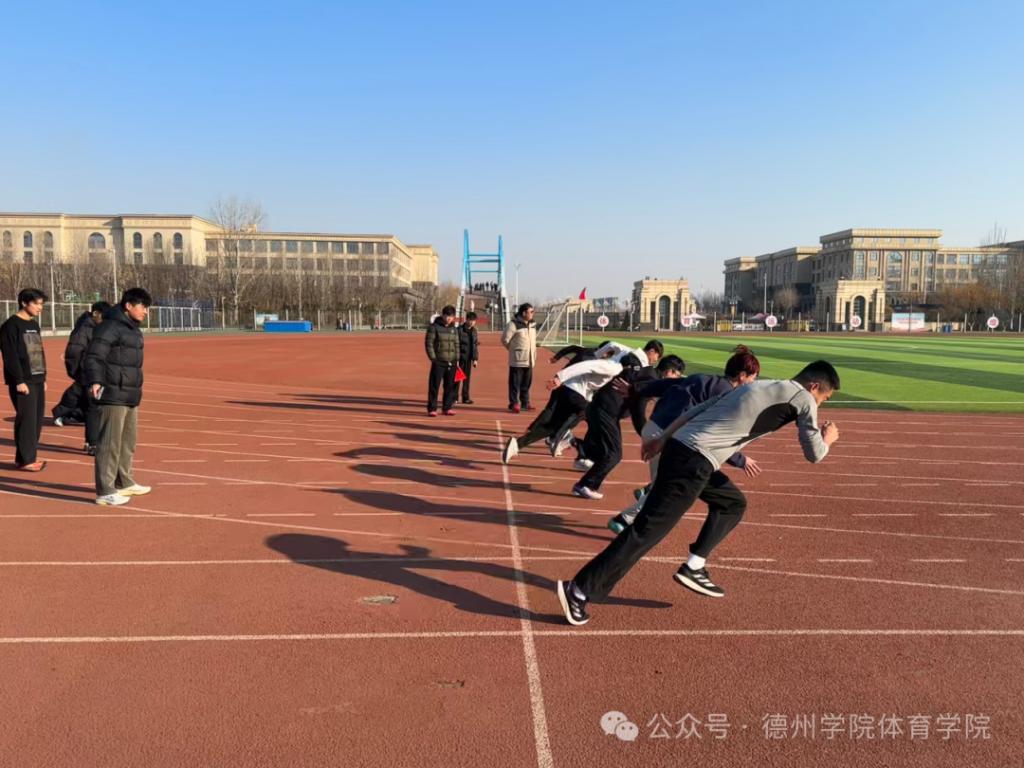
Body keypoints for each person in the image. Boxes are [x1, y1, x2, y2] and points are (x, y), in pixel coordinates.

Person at [556, 360, 841, 626]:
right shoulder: (803, 398)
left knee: (732, 503)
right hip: (694, 462)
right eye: (823, 398)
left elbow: (696, 410)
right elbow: (814, 454)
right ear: (814, 386)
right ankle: (579, 590)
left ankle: (694, 565)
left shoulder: (756, 385)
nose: (819, 404)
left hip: (682, 450)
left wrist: (662, 439)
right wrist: (827, 439)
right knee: (646, 532)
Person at [608, 345, 762, 533]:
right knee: (664, 489)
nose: (754, 382)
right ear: (742, 375)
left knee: (663, 483)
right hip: (667, 437)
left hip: (653, 427)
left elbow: (664, 384)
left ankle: (643, 495)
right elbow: (714, 436)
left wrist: (634, 389)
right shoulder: (726, 395)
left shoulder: (702, 378)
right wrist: (741, 460)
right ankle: (624, 519)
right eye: (753, 377)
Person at [83, 288, 153, 506]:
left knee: (127, 442)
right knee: (109, 444)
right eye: (143, 307)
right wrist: (95, 380)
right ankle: (105, 490)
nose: (146, 312)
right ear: (128, 306)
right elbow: (94, 355)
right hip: (113, 393)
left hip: (130, 393)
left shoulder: (132, 329)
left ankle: (124, 481)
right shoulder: (110, 327)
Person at [570, 340, 666, 500]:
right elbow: (638, 412)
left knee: (603, 450)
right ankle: (586, 484)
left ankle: (581, 448)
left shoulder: (643, 371)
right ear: (669, 372)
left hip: (600, 407)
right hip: (606, 410)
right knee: (614, 454)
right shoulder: (649, 379)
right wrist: (647, 436)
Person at [501, 352, 624, 464]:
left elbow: (591, 388)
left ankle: (517, 444)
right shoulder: (614, 367)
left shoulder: (617, 373)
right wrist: (559, 378)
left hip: (571, 392)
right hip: (573, 392)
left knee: (552, 427)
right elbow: (585, 366)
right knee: (596, 418)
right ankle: (570, 441)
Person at [52, 301, 112, 453]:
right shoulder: (85, 328)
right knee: (92, 406)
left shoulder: (95, 327)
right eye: (104, 316)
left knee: (88, 404)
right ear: (95, 313)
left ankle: (89, 439)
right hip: (88, 372)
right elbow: (74, 352)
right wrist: (78, 372)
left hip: (92, 371)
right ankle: (92, 443)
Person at [1, 288, 49, 471]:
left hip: (37, 379)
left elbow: (38, 352)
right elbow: (10, 356)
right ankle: (27, 460)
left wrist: (43, 376)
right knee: (26, 420)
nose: (40, 308)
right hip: (23, 381)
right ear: (24, 303)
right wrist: (18, 380)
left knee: (36, 420)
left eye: (41, 304)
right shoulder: (11, 326)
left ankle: (26, 457)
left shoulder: (34, 325)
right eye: (36, 304)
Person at [424, 305, 460, 416]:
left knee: (450, 385)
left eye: (451, 316)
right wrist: (433, 358)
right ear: (443, 315)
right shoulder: (434, 327)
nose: (449, 318)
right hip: (438, 361)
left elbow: (456, 344)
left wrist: (457, 358)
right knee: (434, 385)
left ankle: (447, 407)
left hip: (452, 361)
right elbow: (429, 343)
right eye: (447, 316)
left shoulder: (454, 329)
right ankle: (432, 408)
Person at [501, 303, 537, 413]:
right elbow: (505, 339)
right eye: (531, 312)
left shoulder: (533, 324)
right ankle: (514, 403)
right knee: (515, 383)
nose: (533, 314)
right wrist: (514, 350)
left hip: (530, 359)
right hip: (517, 360)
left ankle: (525, 403)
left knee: (526, 383)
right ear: (524, 313)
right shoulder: (513, 324)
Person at [455, 311, 479, 404]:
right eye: (471, 320)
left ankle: (465, 398)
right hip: (460, 358)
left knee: (466, 379)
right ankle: (454, 397)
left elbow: (475, 345)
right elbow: (455, 345)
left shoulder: (474, 331)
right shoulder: (459, 330)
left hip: (469, 358)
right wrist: (456, 358)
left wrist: (475, 359)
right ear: (466, 320)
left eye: (474, 321)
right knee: (457, 378)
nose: (472, 322)